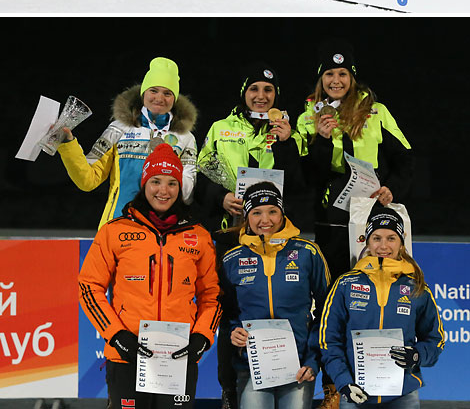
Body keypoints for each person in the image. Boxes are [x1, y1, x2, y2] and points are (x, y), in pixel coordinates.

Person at [78, 144, 221, 409]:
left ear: (180, 188)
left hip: (178, 356)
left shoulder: (199, 236)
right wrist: (117, 336)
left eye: (171, 183)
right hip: (126, 356)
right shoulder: (115, 231)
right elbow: (89, 288)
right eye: (155, 181)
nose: (163, 191)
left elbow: (212, 296)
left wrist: (202, 338)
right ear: (144, 183)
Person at [294, 44, 412, 282]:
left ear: (352, 78)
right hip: (331, 219)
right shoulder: (307, 118)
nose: (336, 80)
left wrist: (392, 188)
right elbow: (307, 176)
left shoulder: (377, 112)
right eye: (329, 74)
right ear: (321, 78)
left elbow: (405, 160)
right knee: (332, 284)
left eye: (343, 74)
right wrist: (322, 141)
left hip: (374, 214)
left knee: (377, 284)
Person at [319, 201, 445, 406]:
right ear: (367, 241)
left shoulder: (417, 287)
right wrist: (343, 382)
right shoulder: (345, 284)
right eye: (376, 238)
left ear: (401, 242)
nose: (384, 246)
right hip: (354, 393)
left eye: (391, 238)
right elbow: (328, 341)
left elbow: (435, 340)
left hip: (402, 395)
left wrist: (416, 356)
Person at [221, 181, 330, 407]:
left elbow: (327, 313)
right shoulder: (232, 260)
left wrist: (313, 360)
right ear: (247, 216)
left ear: (282, 214)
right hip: (253, 367)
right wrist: (235, 333)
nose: (265, 220)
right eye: (257, 212)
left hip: (299, 367)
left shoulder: (307, 252)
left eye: (273, 211)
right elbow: (228, 313)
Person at [58, 55, 197, 217]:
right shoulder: (119, 129)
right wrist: (68, 144)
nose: (159, 98)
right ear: (143, 93)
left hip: (163, 228)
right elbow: (87, 180)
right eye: (153, 91)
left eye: (167, 93)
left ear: (175, 99)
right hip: (118, 224)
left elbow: (187, 195)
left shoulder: (185, 138)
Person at [198, 68, 307, 232]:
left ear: (275, 94)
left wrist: (285, 144)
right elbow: (200, 176)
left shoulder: (290, 135)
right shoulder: (220, 128)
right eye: (254, 89)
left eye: (268, 90)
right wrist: (221, 197)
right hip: (228, 226)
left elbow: (297, 187)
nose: (261, 96)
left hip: (271, 227)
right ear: (244, 93)